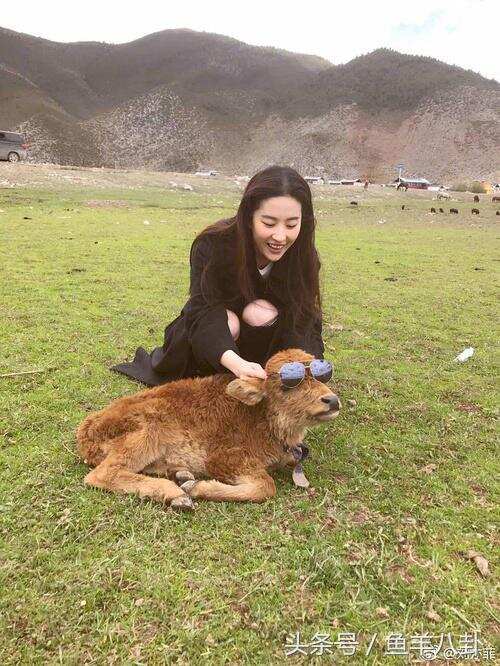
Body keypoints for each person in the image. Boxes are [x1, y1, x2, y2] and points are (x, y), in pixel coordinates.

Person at [111, 165, 325, 386]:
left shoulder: (304, 256)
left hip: (259, 352)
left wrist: (303, 365)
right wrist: (235, 362)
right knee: (229, 321)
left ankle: (256, 372)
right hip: (207, 341)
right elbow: (202, 310)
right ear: (249, 216)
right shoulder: (212, 245)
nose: (280, 236)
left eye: (291, 224)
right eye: (269, 223)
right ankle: (216, 377)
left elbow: (303, 316)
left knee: (260, 312)